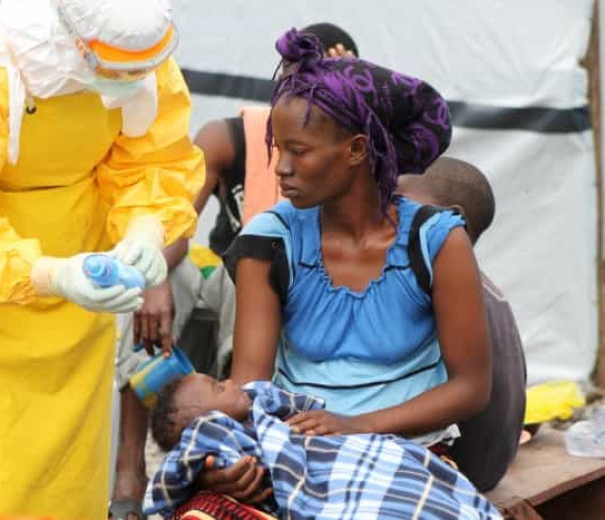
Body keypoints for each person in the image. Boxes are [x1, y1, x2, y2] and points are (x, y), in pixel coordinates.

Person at [0, 0, 204, 518]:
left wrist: (146, 226)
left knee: (63, 465)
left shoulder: (137, 54)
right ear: (73, 42)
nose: (132, 82)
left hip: (76, 284)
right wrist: (48, 273)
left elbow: (154, 159)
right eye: (116, 71)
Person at [201, 28, 491, 502]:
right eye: (278, 149)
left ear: (356, 150)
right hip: (295, 448)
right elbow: (251, 386)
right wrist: (231, 457)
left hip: (408, 450)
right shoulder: (269, 240)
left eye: (299, 151)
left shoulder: (436, 241)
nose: (281, 168)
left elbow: (472, 387)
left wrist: (357, 425)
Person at [110, 23, 359, 520]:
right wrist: (154, 278)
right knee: (148, 276)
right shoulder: (229, 137)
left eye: (327, 87)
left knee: (250, 269)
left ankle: (240, 434)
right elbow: (175, 221)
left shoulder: (352, 154)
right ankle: (129, 464)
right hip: (218, 289)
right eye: (299, 82)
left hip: (284, 300)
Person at [143, 374, 501, 519]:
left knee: (412, 477)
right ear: (201, 422)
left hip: (363, 452)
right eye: (218, 388)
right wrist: (204, 470)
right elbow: (183, 467)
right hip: (328, 489)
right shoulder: (214, 432)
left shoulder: (264, 407)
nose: (231, 381)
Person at [397, 157, 527, 491]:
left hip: (455, 471)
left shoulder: (431, 287)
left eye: (400, 204)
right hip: (492, 466)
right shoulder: (485, 287)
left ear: (453, 218)